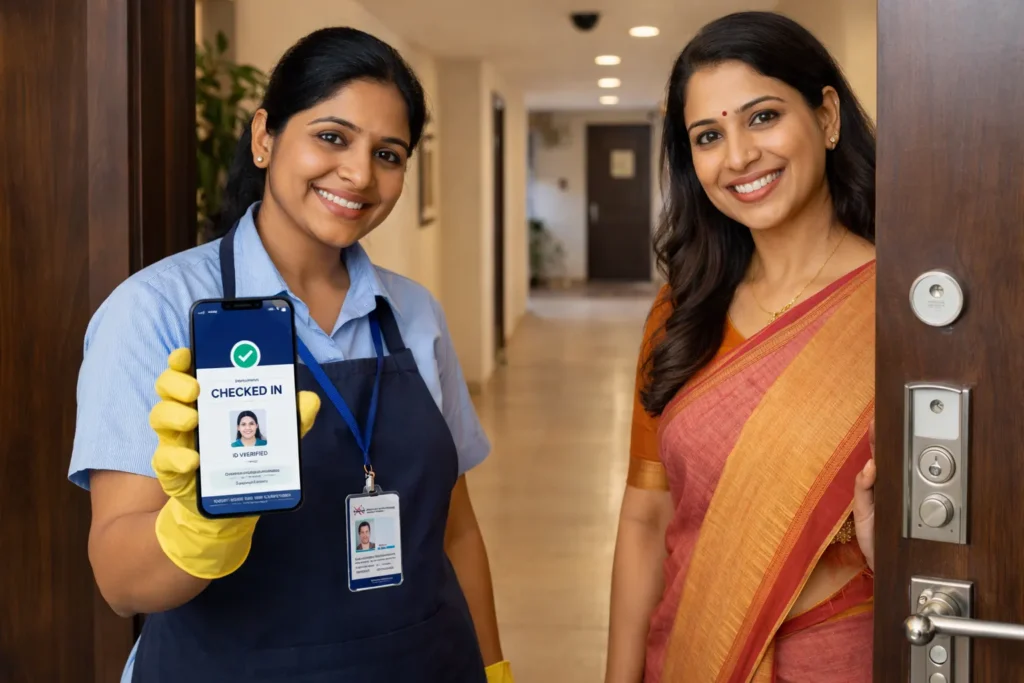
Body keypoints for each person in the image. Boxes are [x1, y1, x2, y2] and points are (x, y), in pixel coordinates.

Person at [68, 26, 514, 683]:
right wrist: (198, 529)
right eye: (332, 137)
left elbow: (456, 531)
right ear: (264, 137)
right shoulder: (156, 311)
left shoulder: (413, 314)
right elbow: (119, 581)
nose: (360, 174)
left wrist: (495, 667)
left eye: (388, 154)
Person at [605, 12, 877, 683]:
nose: (738, 157)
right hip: (694, 651)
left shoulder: (907, 307)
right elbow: (646, 517)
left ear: (829, 115)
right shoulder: (682, 312)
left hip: (847, 659)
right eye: (708, 135)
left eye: (762, 117)